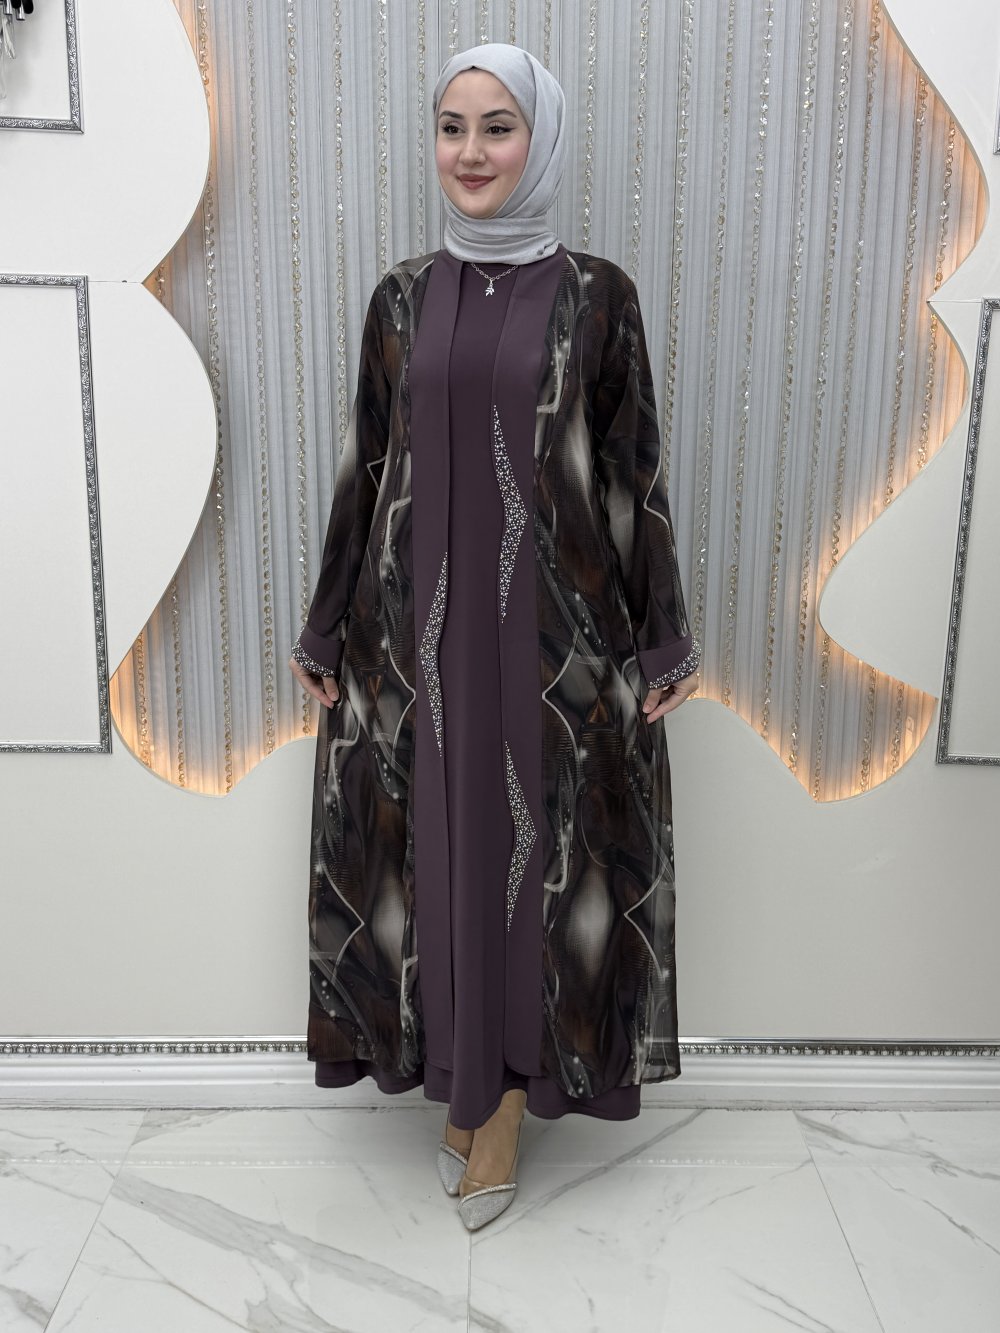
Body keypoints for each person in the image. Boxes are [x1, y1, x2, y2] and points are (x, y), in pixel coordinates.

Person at [288, 43, 699, 1231]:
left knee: (536, 864)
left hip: (553, 644)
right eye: (452, 127)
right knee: (436, 861)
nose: (470, 152)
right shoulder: (401, 296)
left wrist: (662, 637)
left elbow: (630, 473)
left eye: (498, 127)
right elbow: (367, 466)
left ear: (541, 140)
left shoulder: (598, 296)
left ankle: (504, 1104)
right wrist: (325, 623)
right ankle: (461, 1083)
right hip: (409, 643)